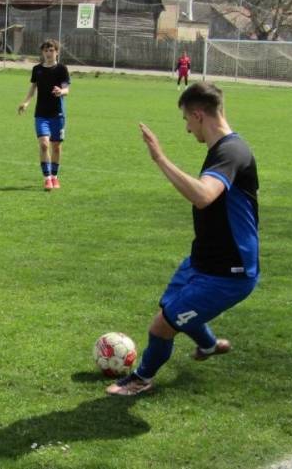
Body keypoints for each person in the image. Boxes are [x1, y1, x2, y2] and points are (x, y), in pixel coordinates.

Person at [107, 82, 259, 396]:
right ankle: (208, 344)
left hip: (229, 273)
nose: (188, 129)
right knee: (170, 307)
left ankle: (140, 379)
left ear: (199, 114)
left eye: (187, 121)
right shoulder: (221, 150)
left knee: (161, 325)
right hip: (203, 261)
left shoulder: (232, 151)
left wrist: (160, 158)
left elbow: (203, 195)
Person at [17, 39, 70, 190]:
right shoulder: (37, 69)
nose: (48, 53)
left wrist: (61, 92)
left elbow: (67, 89)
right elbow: (33, 88)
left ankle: (55, 177)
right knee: (44, 144)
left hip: (58, 114)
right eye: (46, 50)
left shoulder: (61, 69)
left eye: (51, 50)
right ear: (42, 52)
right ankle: (47, 178)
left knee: (56, 147)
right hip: (41, 114)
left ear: (57, 52)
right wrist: (26, 102)